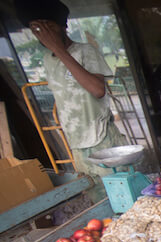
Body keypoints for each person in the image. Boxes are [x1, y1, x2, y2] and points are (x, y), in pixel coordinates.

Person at [16, 0, 127, 179]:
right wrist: (55, 51)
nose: (43, 34)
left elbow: (98, 90)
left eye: (48, 27)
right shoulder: (47, 59)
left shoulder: (84, 51)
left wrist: (59, 50)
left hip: (101, 137)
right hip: (76, 141)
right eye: (36, 29)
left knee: (117, 187)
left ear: (62, 26)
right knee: (93, 191)